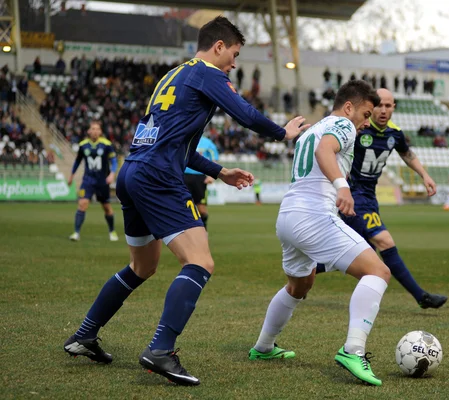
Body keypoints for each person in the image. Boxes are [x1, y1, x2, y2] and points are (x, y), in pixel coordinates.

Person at [63, 16, 309, 386]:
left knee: (141, 267)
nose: (235, 64)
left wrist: (220, 170)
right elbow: (244, 114)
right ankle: (161, 349)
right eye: (235, 54)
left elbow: (179, 143)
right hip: (159, 176)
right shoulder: (209, 73)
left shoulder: (173, 76)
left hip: (133, 171)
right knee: (200, 261)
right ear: (219, 46)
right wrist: (282, 132)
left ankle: (84, 334)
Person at [248, 80, 391, 386]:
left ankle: (263, 347)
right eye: (366, 114)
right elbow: (326, 150)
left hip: (288, 216)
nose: (366, 123)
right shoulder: (343, 124)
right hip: (313, 214)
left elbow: (319, 149)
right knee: (378, 272)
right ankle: (353, 350)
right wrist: (342, 187)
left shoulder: (314, 128)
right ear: (349, 107)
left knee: (299, 286)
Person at [316, 88, 447, 309]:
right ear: (370, 106)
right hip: (354, 196)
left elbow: (407, 154)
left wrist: (425, 175)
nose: (383, 110)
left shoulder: (394, 133)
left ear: (394, 107)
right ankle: (421, 296)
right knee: (384, 241)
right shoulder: (357, 129)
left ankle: (307, 268)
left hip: (370, 197)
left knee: (361, 252)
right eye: (379, 106)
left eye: (389, 106)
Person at [67, 120, 119, 242]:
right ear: (89, 131)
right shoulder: (83, 145)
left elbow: (114, 161)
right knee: (82, 204)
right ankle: (76, 233)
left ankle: (112, 231)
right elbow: (77, 162)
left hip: (102, 181)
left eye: (97, 129)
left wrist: (112, 174)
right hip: (88, 180)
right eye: (93, 129)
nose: (95, 131)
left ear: (100, 131)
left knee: (106, 207)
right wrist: (71, 176)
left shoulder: (106, 145)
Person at [183, 136, 219, 231]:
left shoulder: (207, 143)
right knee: (183, 207)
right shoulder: (184, 138)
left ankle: (204, 231)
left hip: (200, 178)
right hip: (184, 175)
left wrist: (211, 176)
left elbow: (214, 159)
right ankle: (186, 233)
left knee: (201, 209)